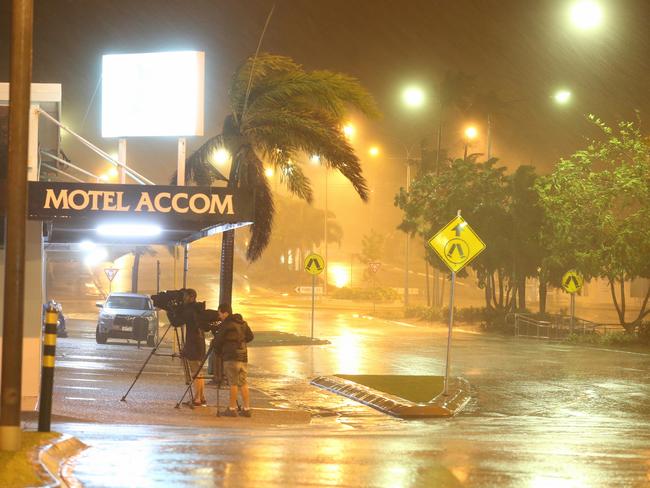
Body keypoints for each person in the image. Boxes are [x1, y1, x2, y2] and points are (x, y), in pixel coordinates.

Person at [168, 289, 207, 406]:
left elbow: (176, 322)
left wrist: (169, 311)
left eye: (185, 296)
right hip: (200, 343)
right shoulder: (198, 308)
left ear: (191, 297)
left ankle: (197, 399)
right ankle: (201, 396)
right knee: (199, 372)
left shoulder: (190, 311)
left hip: (193, 344)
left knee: (196, 372)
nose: (183, 299)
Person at [214, 303, 254, 417]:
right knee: (243, 383)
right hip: (243, 356)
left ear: (225, 313)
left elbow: (217, 340)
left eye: (220, 314)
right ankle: (246, 408)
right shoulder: (243, 323)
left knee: (233, 383)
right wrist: (240, 341)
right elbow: (250, 337)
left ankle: (232, 408)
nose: (219, 317)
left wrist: (219, 350)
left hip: (231, 357)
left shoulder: (226, 324)